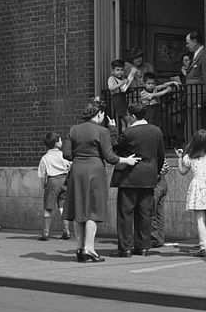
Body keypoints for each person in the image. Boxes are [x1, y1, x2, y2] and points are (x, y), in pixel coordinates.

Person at [64, 100, 138, 263]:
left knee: (79, 210)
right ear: (99, 114)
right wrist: (127, 160)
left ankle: (79, 248)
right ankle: (89, 248)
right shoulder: (102, 131)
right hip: (95, 170)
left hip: (77, 169)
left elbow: (67, 154)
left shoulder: (74, 129)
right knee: (93, 210)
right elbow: (110, 157)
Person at [111, 102, 166, 257]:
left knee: (125, 213)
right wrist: (155, 171)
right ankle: (142, 247)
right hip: (149, 177)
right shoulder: (157, 131)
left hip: (129, 176)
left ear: (132, 116)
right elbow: (160, 155)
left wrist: (112, 129)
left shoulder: (129, 132)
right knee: (145, 213)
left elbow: (115, 146)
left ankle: (126, 248)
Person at [177, 129, 206, 258]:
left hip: (198, 186)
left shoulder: (190, 157)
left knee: (200, 219)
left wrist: (180, 157)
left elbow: (182, 171)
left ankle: (203, 247)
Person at [37, 132, 72, 241]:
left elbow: (42, 175)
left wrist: (43, 186)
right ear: (57, 143)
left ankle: (46, 232)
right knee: (62, 206)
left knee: (48, 207)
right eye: (60, 140)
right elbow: (70, 165)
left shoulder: (45, 158)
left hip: (52, 181)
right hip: (65, 180)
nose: (61, 142)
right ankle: (66, 230)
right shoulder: (63, 155)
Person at [107, 58, 141, 136]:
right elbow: (111, 88)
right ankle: (129, 136)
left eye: (121, 70)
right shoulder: (111, 78)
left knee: (124, 122)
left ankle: (124, 137)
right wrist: (122, 83)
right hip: (118, 100)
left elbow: (123, 90)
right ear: (113, 71)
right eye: (117, 70)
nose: (120, 72)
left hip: (123, 99)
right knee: (127, 120)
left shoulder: (122, 79)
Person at [150, 156, 171, 249]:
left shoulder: (150, 150)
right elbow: (166, 168)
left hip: (155, 182)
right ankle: (160, 238)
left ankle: (154, 238)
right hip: (163, 182)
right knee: (159, 213)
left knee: (151, 212)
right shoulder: (161, 152)